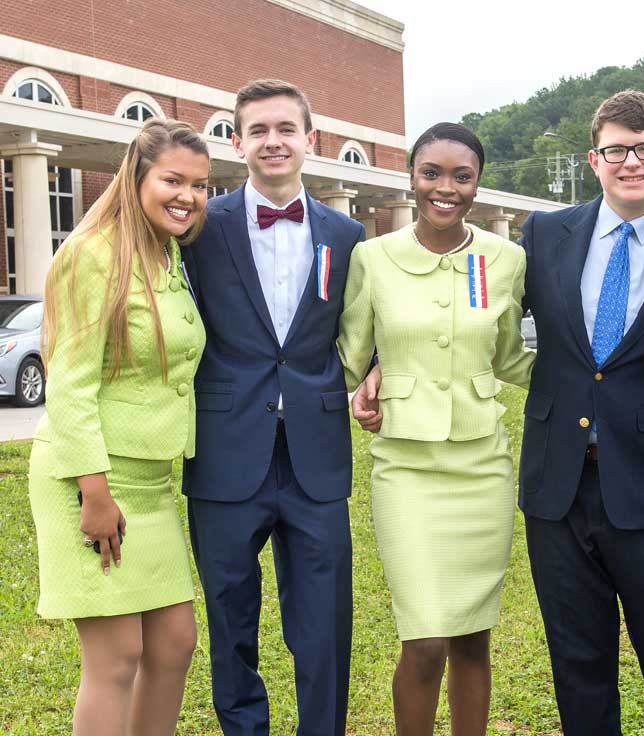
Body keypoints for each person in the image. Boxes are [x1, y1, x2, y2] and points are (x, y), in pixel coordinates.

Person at [516, 90, 644, 734]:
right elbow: (479, 317)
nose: (630, 162)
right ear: (594, 158)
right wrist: (381, 359)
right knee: (578, 662)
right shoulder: (545, 234)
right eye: (616, 151)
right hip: (556, 484)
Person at [336, 122, 535, 736]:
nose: (445, 188)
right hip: (407, 468)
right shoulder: (372, 257)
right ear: (412, 178)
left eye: (461, 176)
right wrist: (368, 376)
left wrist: (598, 383)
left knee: (474, 636)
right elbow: (349, 353)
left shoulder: (505, 260)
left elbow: (507, 357)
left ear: (478, 184)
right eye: (432, 174)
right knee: (425, 640)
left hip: (484, 465)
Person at [181, 79, 365, 736]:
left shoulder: (347, 235)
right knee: (230, 624)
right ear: (237, 142)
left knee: (324, 629)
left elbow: (362, 330)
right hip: (225, 453)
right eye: (257, 130)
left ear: (309, 140)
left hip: (316, 459)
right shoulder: (201, 228)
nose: (273, 140)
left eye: (285, 128)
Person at [28, 119, 209, 736]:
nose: (187, 196)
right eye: (173, 180)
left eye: (200, 185)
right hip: (91, 479)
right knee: (117, 657)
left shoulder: (171, 254)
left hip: (154, 481)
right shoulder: (93, 253)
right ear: (138, 176)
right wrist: (94, 493)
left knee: (174, 644)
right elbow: (70, 382)